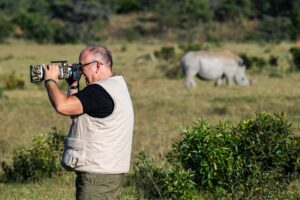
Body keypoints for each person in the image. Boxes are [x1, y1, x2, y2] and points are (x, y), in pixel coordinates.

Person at [42, 44, 134, 200]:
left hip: (97, 175)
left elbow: (62, 106)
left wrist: (50, 81)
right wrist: (73, 84)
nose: (80, 71)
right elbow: (76, 112)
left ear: (97, 65)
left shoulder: (99, 91)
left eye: (82, 66)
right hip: (106, 171)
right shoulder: (115, 86)